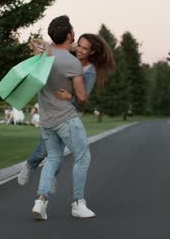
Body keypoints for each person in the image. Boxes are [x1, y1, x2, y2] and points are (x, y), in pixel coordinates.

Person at [29, 16, 114, 221]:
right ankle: (78, 204)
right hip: (66, 119)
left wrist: (35, 46)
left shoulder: (42, 56)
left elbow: (35, 46)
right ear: (69, 35)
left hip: (47, 120)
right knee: (83, 158)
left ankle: (40, 201)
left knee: (52, 160)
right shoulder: (73, 62)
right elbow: (82, 97)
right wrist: (72, 96)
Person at [18, 34, 115, 191]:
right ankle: (29, 166)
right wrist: (40, 47)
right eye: (79, 45)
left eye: (85, 49)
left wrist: (69, 96)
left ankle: (48, 181)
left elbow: (82, 100)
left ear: (92, 52)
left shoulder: (89, 72)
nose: (80, 50)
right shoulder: (68, 57)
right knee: (44, 150)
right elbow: (48, 55)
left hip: (67, 114)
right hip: (50, 110)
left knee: (56, 153)